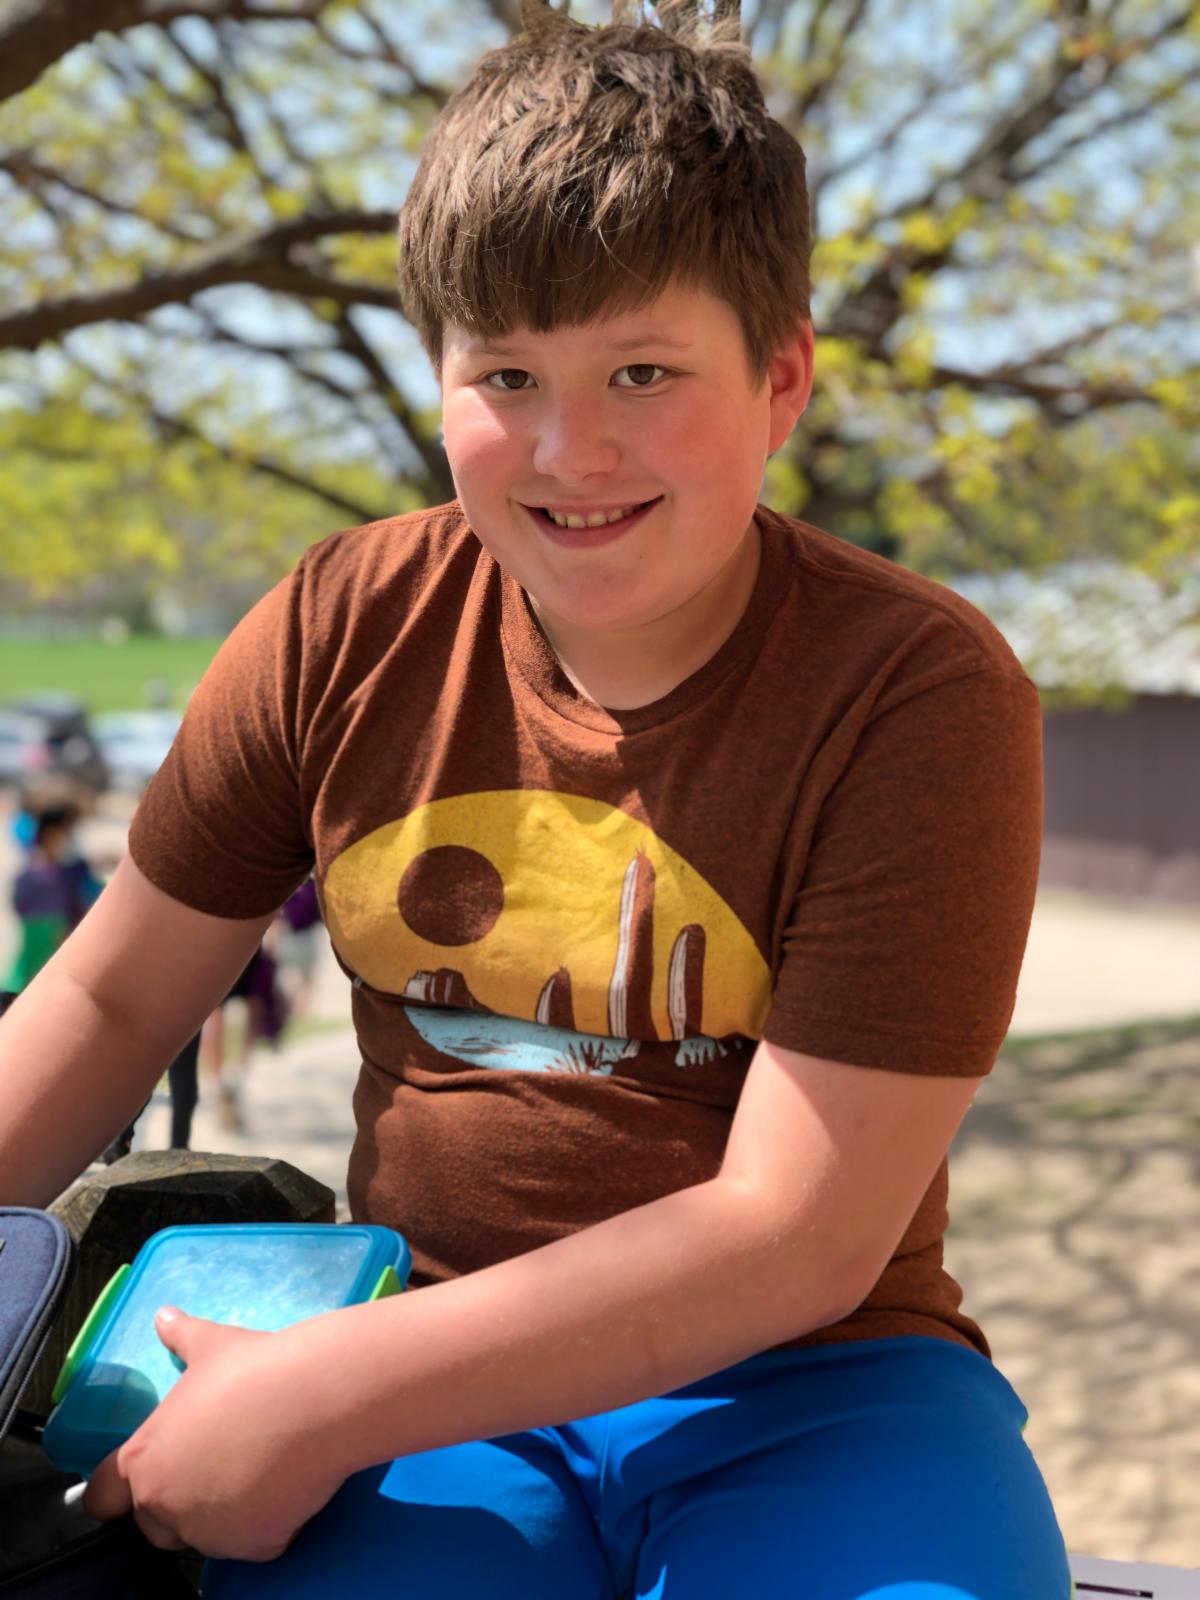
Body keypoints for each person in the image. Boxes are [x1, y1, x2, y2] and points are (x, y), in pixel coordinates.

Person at [0, 5, 1071, 1596]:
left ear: (782, 378)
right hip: (425, 1353)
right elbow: (108, 995)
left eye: (644, 370)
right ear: (439, 379)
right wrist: (334, 1386)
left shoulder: (916, 693)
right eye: (507, 373)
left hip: (819, 1378)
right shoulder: (342, 627)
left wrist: (311, 1398)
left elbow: (798, 1229)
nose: (572, 449)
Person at [3, 804, 102, 992]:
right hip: (42, 942)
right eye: (66, 831)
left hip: (60, 940)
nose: (69, 837)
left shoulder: (73, 870)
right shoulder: (34, 875)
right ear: (50, 833)